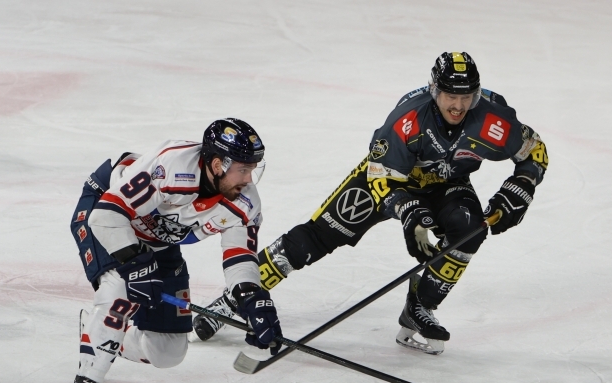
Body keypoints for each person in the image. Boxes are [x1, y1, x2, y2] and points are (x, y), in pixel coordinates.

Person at [194, 51, 549, 355]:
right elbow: (380, 177)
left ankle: (421, 306)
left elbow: (534, 151)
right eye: (449, 96)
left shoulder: (494, 118)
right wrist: (408, 211)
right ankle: (236, 297)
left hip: (446, 184)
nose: (458, 105)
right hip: (386, 179)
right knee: (313, 239)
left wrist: (521, 187)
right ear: (434, 90)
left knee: (470, 229)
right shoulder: (407, 119)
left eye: (466, 96)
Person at [60, 118, 283, 383]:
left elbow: (240, 256)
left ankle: (100, 332)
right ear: (218, 164)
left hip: (155, 241)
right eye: (243, 169)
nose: (249, 179)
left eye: (253, 169)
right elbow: (107, 215)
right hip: (106, 213)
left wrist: (253, 297)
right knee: (119, 289)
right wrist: (135, 264)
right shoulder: (172, 166)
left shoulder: (245, 202)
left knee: (167, 351)